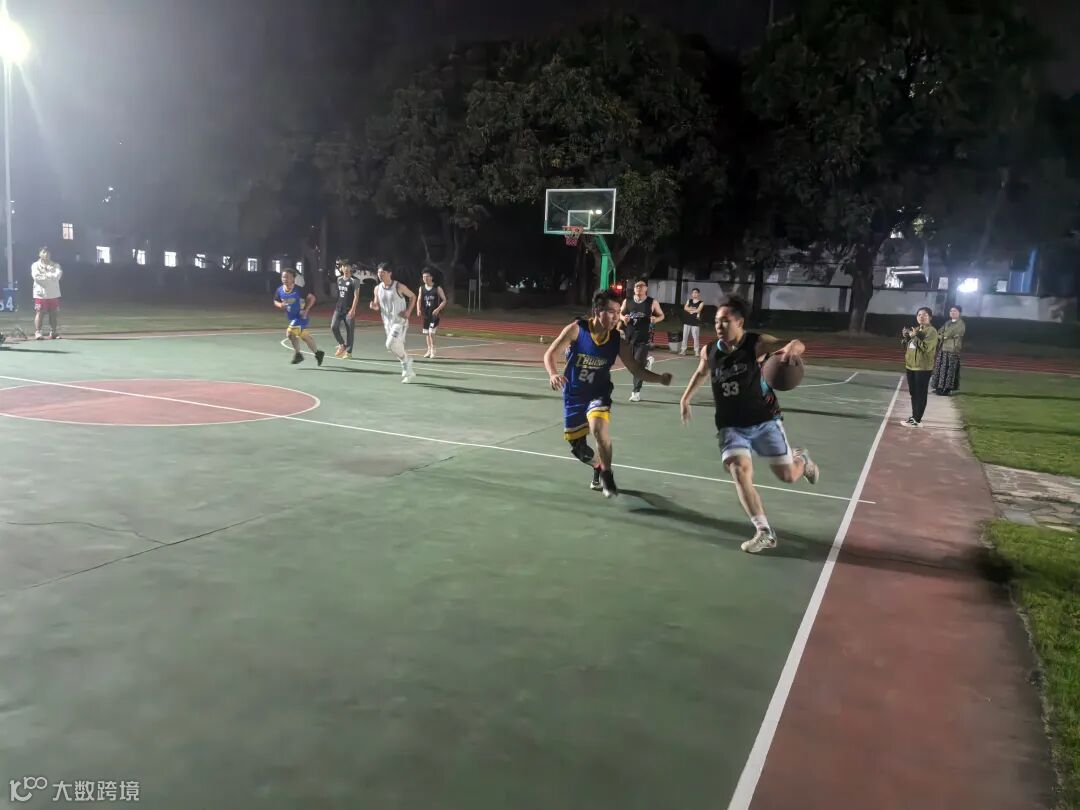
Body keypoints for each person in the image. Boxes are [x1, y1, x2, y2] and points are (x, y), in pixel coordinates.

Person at [679, 296, 820, 554]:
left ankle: (803, 459)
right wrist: (685, 398)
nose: (719, 325)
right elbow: (701, 373)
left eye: (725, 321)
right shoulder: (709, 351)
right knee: (739, 470)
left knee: (788, 476)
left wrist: (792, 348)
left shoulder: (755, 343)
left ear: (740, 322)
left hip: (763, 420)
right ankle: (764, 531)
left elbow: (795, 344)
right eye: (716, 321)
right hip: (730, 425)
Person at [544, 289, 674, 498]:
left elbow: (635, 369)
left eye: (618, 312)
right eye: (611, 312)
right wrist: (553, 374)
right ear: (597, 311)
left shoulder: (617, 340)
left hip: (599, 393)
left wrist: (659, 378)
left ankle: (607, 473)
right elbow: (550, 354)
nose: (616, 317)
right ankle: (597, 466)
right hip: (574, 396)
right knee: (580, 450)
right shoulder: (577, 330)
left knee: (599, 429)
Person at [370, 262, 417, 383]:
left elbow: (413, 296)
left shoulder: (398, 286)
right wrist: (374, 306)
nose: (380, 275)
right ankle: (408, 370)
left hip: (400, 321)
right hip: (387, 323)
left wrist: (408, 311)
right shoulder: (377, 288)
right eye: (379, 273)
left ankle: (406, 363)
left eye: (383, 273)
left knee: (389, 344)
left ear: (389, 273)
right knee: (396, 347)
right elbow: (377, 305)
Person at [620, 279, 665, 402]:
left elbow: (662, 315)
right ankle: (647, 362)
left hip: (644, 337)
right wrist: (624, 318)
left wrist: (655, 320)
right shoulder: (627, 301)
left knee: (637, 366)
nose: (638, 288)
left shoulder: (652, 302)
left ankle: (636, 392)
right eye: (637, 286)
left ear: (646, 288)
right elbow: (621, 314)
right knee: (631, 364)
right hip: (630, 336)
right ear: (634, 289)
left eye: (641, 286)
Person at [274, 268, 324, 366]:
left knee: (289, 333)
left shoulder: (299, 290)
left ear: (293, 279)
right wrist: (280, 305)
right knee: (304, 337)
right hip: (292, 318)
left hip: (301, 317)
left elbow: (312, 298)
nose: (285, 279)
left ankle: (298, 354)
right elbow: (276, 300)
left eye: (287, 277)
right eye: (283, 277)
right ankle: (318, 353)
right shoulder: (280, 290)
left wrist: (306, 310)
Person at [901, 306, 939, 426]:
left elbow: (926, 348)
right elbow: (908, 347)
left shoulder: (932, 331)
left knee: (920, 393)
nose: (921, 317)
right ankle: (914, 416)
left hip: (922, 367)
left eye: (925, 315)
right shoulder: (916, 329)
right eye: (919, 315)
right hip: (911, 366)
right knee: (913, 392)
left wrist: (914, 337)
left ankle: (917, 419)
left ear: (930, 317)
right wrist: (906, 337)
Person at [931, 305, 965, 396]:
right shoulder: (948, 322)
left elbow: (948, 334)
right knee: (940, 368)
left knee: (949, 370)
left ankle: (946, 389)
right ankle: (938, 387)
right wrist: (942, 336)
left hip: (952, 349)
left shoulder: (960, 324)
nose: (952, 312)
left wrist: (943, 336)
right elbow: (939, 332)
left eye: (955, 311)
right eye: (951, 311)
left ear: (959, 313)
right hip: (943, 348)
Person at [331, 262, 362, 359]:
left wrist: (353, 309)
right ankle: (342, 344)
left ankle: (348, 353)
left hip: (349, 309)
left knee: (350, 331)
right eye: (344, 266)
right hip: (338, 308)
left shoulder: (355, 281)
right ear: (341, 268)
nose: (346, 268)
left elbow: (356, 296)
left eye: (348, 266)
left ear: (351, 268)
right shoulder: (339, 279)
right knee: (333, 326)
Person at [31, 247, 63, 340]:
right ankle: (38, 332)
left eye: (48, 252)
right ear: (39, 254)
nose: (46, 254)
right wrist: (50, 277)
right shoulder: (35, 265)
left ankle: (53, 332)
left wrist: (46, 276)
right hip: (40, 294)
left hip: (53, 293)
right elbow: (36, 277)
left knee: (54, 313)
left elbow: (57, 276)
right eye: (44, 252)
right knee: (40, 313)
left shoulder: (56, 265)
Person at [416, 270, 447, 359]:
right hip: (426, 314)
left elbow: (444, 300)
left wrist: (438, 309)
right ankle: (429, 350)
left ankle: (433, 350)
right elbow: (419, 300)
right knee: (426, 333)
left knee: (431, 332)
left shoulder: (437, 288)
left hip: (434, 315)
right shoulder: (421, 288)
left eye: (427, 276)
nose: (425, 278)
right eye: (423, 277)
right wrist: (418, 309)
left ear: (431, 277)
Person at [682, 288, 704, 356]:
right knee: (685, 336)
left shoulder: (701, 302)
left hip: (695, 322)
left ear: (698, 294)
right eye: (693, 293)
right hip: (687, 321)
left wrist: (690, 309)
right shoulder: (689, 300)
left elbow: (698, 310)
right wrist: (693, 309)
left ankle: (696, 351)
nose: (694, 294)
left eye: (695, 292)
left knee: (695, 337)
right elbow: (685, 308)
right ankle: (683, 350)